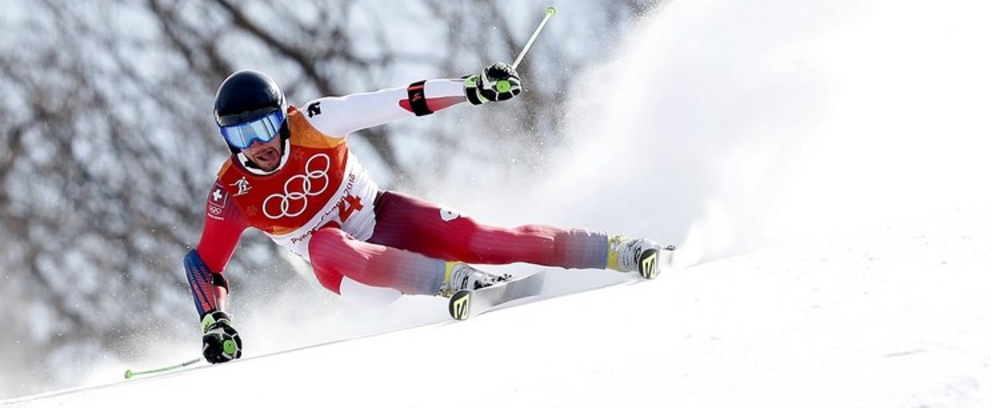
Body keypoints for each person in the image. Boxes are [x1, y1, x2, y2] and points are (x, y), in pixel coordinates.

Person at [184, 63, 661, 364]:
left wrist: (471, 87)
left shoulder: (316, 123)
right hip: (354, 275)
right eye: (242, 137)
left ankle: (617, 249)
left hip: (385, 216)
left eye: (265, 127)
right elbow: (204, 264)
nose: (260, 146)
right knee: (322, 242)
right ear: (228, 140)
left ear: (282, 115)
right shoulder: (233, 192)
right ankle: (450, 279)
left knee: (487, 239)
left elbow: (400, 101)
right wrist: (216, 322)